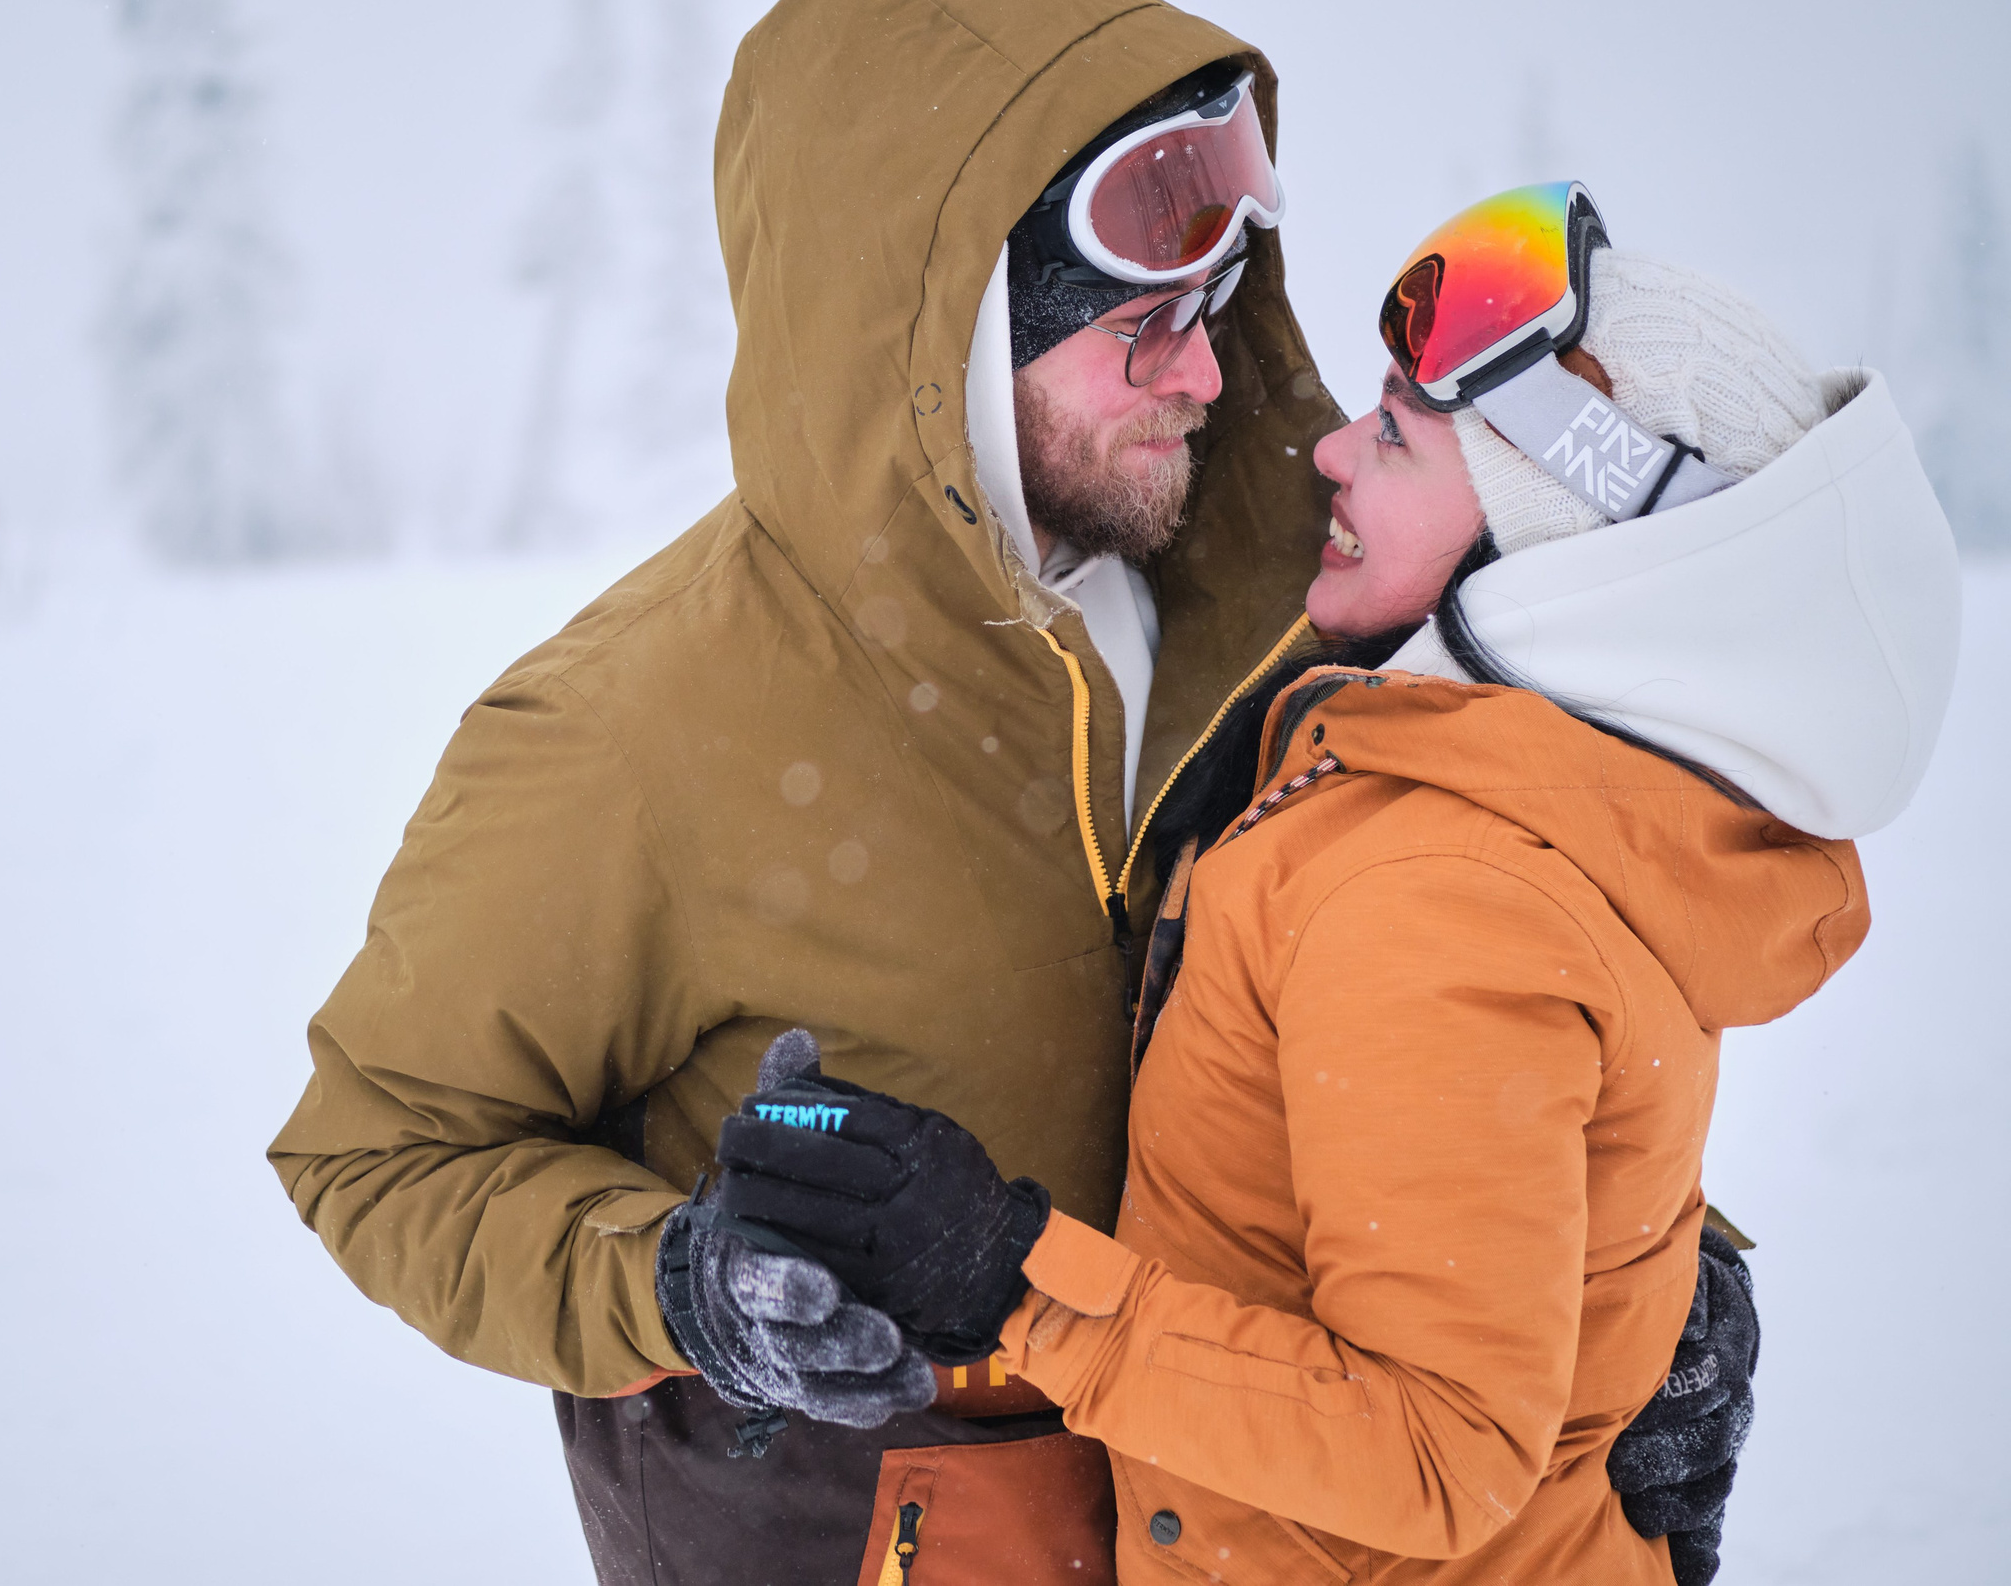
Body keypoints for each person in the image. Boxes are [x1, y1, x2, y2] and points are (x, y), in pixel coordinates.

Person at [268, 0, 1750, 1583]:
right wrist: (679, 1286)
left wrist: (1653, 1262)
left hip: (1280, 1524)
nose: (1207, 374)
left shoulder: (1294, 610)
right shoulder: (629, 734)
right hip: (871, 1522)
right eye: (1140, 329)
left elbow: (1493, 977)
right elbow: (376, 1152)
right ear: (947, 333)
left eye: (1216, 307)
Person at [708, 183, 1961, 1583]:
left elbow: (1436, 1450)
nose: (1331, 451)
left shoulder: (1442, 887)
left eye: (1401, 436)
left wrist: (1003, 1277)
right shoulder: (1568, 799)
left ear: (1569, 550)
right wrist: (1638, 1282)